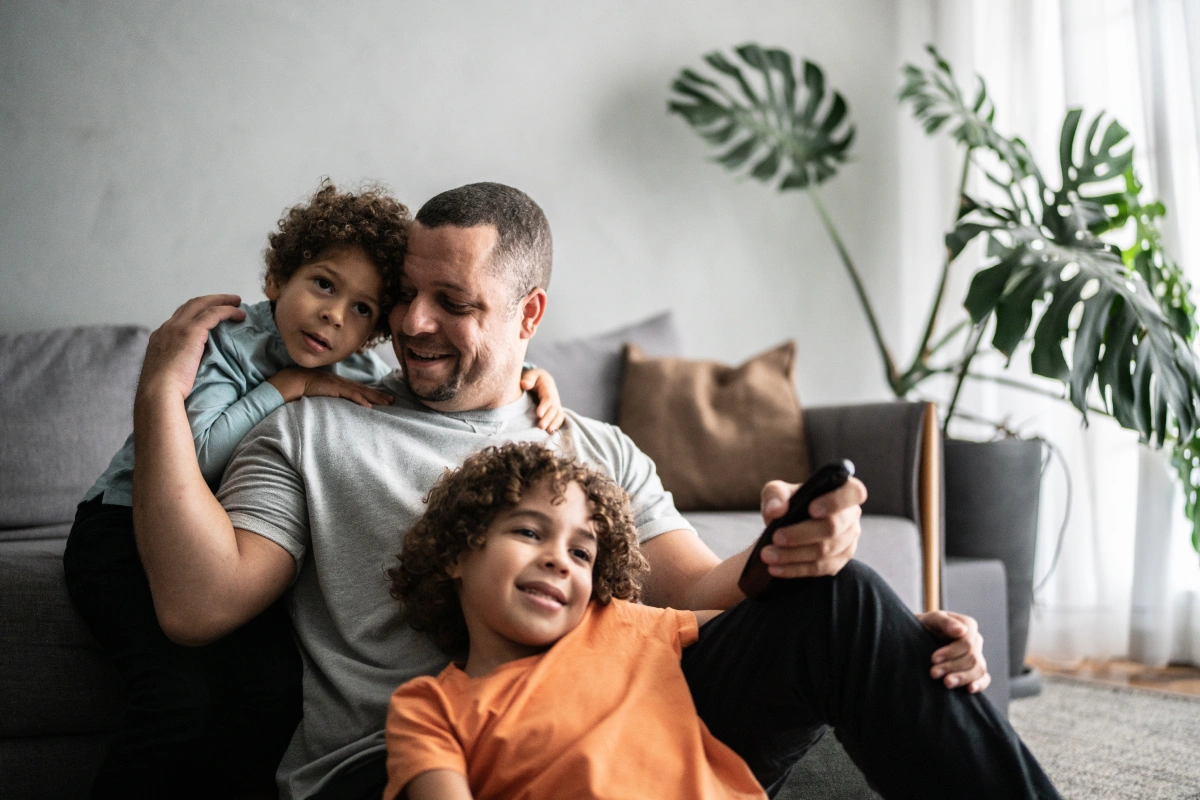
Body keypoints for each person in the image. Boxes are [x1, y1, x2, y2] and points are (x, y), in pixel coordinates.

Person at [130, 182, 1060, 800]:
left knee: (845, 602)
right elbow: (196, 606)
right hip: (406, 762)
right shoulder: (313, 427)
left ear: (529, 314)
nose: (412, 323)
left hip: (607, 733)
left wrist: (810, 559)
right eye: (406, 294)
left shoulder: (592, 444)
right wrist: (159, 394)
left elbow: (696, 594)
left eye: (453, 303)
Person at [62, 180, 565, 799]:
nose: (335, 315)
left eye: (364, 309)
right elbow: (187, 457)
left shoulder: (350, 367)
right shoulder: (231, 344)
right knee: (175, 698)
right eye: (324, 285)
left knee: (273, 688)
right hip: (118, 526)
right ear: (278, 276)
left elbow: (468, 374)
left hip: (211, 530)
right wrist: (286, 387)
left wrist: (530, 375)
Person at [383, 441, 766, 800]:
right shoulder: (429, 709)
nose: (559, 560)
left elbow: (767, 626)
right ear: (455, 554)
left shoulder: (620, 621)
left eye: (581, 553)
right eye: (529, 532)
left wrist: (783, 541)